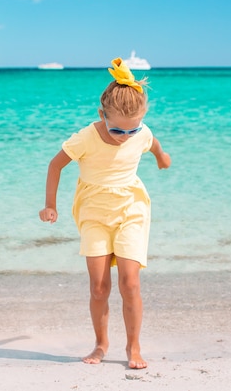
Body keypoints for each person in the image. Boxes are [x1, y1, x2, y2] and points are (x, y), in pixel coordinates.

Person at [39, 57, 171, 369]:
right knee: (99, 287)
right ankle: (100, 343)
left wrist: (163, 158)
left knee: (130, 283)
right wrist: (50, 205)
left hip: (131, 209)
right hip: (94, 213)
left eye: (131, 130)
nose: (125, 137)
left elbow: (152, 144)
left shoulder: (140, 131)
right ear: (102, 115)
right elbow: (55, 164)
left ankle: (133, 348)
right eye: (117, 130)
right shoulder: (86, 137)